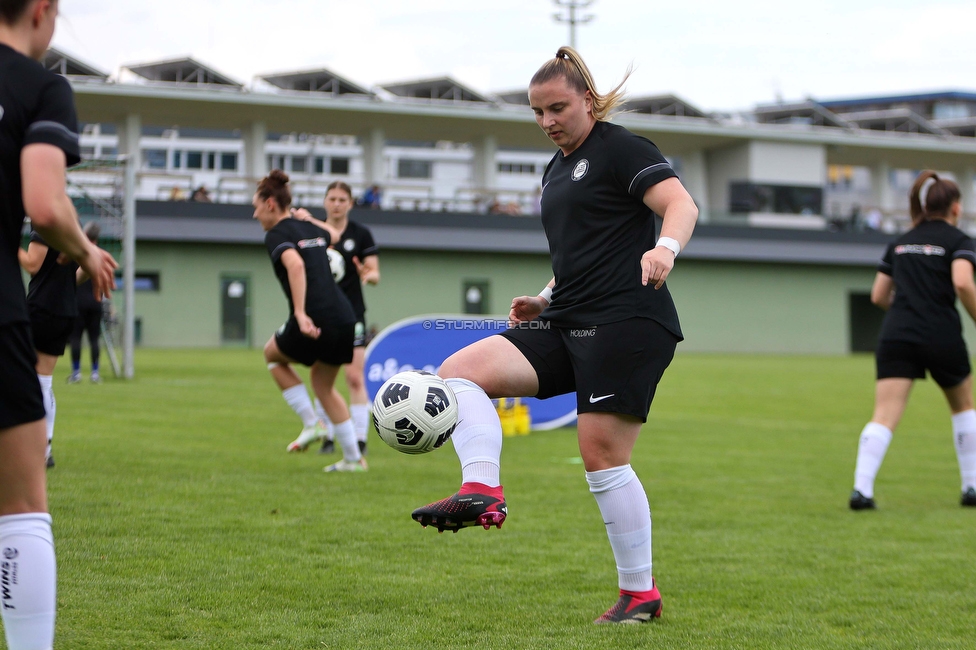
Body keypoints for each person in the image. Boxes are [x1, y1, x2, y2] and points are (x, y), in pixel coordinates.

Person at [409, 47, 698, 624]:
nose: (547, 122)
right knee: (458, 373)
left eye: (558, 108)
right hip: (567, 318)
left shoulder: (621, 148)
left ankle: (640, 594)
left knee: (601, 458)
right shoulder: (556, 168)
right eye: (537, 112)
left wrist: (664, 249)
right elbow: (579, 255)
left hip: (627, 322)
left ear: (588, 101)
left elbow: (680, 204)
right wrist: (544, 297)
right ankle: (482, 489)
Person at [0, 1, 117, 648]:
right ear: (41, 10)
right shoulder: (39, 86)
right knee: (19, 509)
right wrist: (85, 249)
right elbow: (45, 204)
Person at [850, 171, 976, 510]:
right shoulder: (961, 240)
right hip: (941, 332)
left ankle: (861, 491)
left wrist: (908, 307)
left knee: (884, 414)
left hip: (897, 333)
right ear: (955, 207)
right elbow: (963, 282)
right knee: (963, 407)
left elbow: (878, 295)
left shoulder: (900, 241)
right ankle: (971, 487)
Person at [252, 169, 367, 473]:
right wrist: (308, 219)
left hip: (315, 317)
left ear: (271, 205)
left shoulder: (275, 234)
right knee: (323, 385)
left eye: (256, 206)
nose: (254, 214)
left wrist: (301, 314)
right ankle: (354, 460)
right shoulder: (306, 227)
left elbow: (295, 266)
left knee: (272, 355)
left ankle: (311, 424)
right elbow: (336, 236)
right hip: (344, 317)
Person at [292, 181, 380, 456]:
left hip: (353, 314)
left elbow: (375, 273)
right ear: (325, 201)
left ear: (350, 203)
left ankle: (360, 438)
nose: (337, 203)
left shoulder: (361, 234)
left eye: (343, 199)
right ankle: (328, 436)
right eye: (332, 198)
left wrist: (368, 275)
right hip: (322, 314)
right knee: (321, 377)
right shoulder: (313, 233)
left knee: (354, 377)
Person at [19, 223, 89, 468]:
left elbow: (32, 264)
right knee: (44, 381)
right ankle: (45, 449)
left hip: (42, 308)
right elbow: (86, 269)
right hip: (65, 310)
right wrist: (64, 283)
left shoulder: (43, 221)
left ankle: (31, 446)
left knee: (27, 377)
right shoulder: (72, 225)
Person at [67, 222, 104, 384]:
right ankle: (95, 373)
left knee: (76, 338)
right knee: (94, 339)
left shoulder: (76, 253)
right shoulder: (101, 254)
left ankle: (76, 373)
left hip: (77, 302)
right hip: (96, 302)